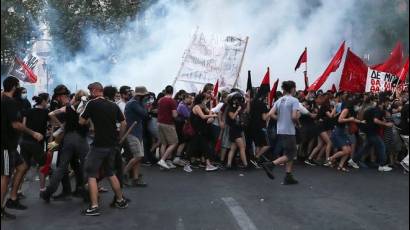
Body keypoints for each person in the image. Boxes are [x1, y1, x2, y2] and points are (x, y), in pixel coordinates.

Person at [79, 82, 128, 216]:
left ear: (95, 91)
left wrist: (88, 114)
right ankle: (120, 200)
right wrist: (120, 138)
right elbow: (124, 123)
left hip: (99, 145)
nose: (89, 94)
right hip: (112, 144)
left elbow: (81, 121)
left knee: (91, 173)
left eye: (90, 91)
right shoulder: (113, 105)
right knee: (110, 172)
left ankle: (94, 206)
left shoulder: (92, 103)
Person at [1, 76, 43, 220]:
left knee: (22, 167)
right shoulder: (9, 102)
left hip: (10, 144)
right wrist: (33, 133)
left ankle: (12, 199)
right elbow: (16, 124)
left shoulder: (3, 99)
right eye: (18, 85)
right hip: (5, 145)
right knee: (5, 177)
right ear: (13, 87)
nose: (20, 88)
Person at [6, 93, 50, 211]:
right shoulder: (46, 112)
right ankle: (42, 190)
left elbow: (23, 125)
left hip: (25, 141)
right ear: (44, 101)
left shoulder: (27, 111)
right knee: (42, 165)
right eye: (48, 101)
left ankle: (18, 190)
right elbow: (49, 126)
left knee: (23, 166)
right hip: (36, 142)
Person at [262, 81, 299, 185]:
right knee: (291, 154)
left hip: (280, 130)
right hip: (289, 131)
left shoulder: (279, 100)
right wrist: (297, 121)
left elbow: (270, 114)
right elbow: (294, 117)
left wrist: (280, 119)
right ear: (292, 89)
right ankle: (271, 164)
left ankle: (288, 176)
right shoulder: (294, 100)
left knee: (288, 153)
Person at [353, 96, 393, 172]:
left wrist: (383, 121)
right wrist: (386, 124)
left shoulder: (374, 109)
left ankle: (353, 160)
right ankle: (382, 165)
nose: (388, 104)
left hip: (369, 131)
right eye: (388, 102)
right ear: (383, 102)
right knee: (381, 147)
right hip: (372, 132)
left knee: (365, 148)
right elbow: (375, 120)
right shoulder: (378, 110)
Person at [123, 86, 149, 187]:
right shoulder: (133, 103)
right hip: (132, 132)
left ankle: (136, 178)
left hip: (137, 132)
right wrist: (144, 104)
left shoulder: (134, 102)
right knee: (138, 156)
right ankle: (123, 174)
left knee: (138, 156)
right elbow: (144, 114)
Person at [186, 94, 219, 172]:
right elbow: (203, 116)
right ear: (201, 100)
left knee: (201, 148)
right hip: (197, 130)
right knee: (199, 148)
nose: (206, 101)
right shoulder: (197, 107)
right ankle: (207, 165)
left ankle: (207, 164)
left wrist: (211, 108)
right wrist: (213, 115)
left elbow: (209, 112)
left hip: (201, 130)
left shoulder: (203, 106)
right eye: (205, 99)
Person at [156, 85, 179, 169]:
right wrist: (177, 113)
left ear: (165, 91)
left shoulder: (160, 100)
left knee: (164, 143)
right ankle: (162, 160)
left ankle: (163, 162)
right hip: (168, 124)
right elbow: (174, 115)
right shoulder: (172, 101)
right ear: (172, 92)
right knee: (174, 142)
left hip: (159, 123)